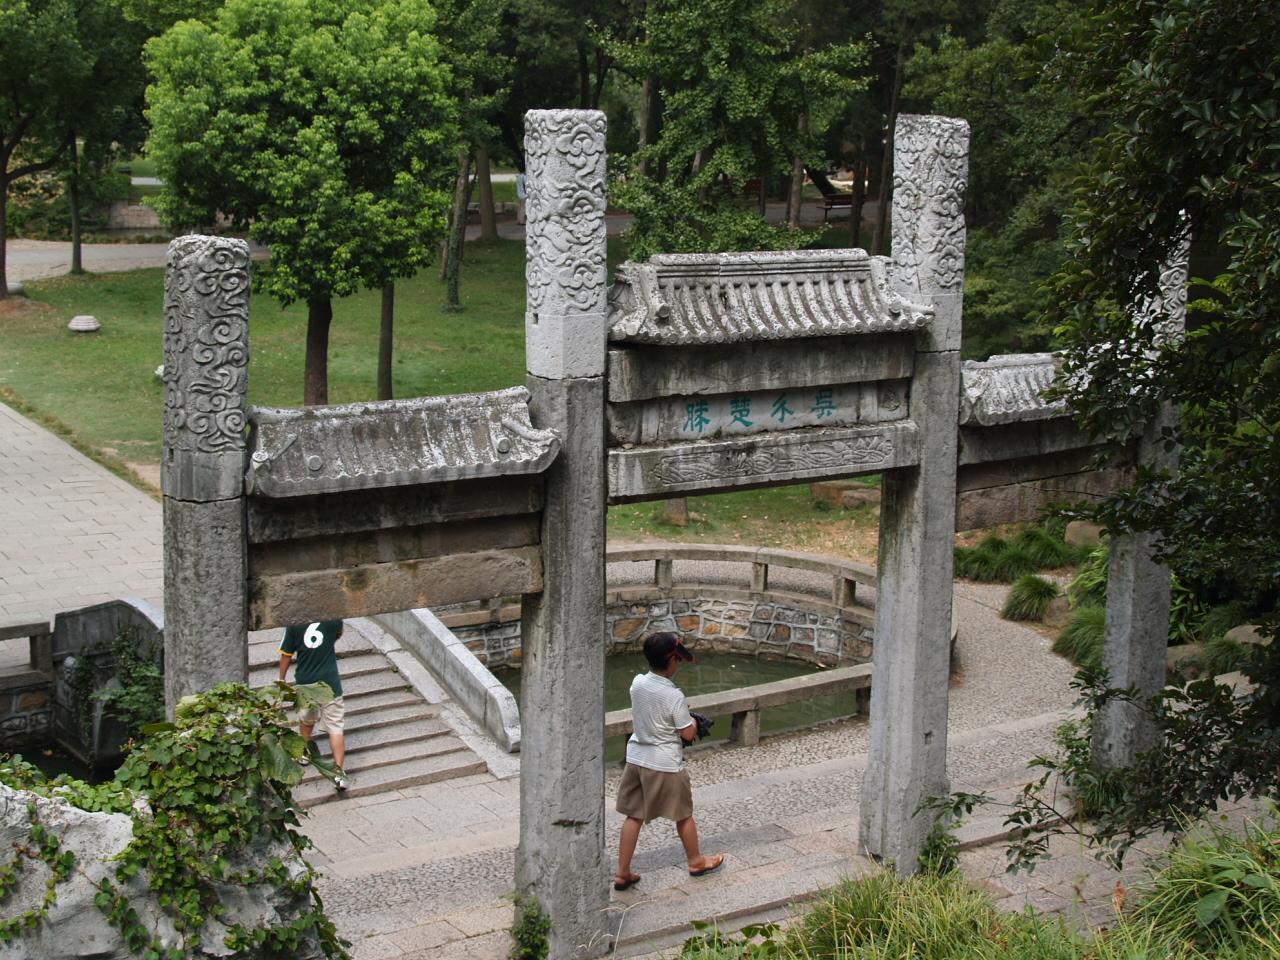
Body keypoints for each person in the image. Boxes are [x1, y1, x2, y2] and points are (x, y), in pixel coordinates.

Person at [613, 632, 725, 891]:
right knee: (683, 815)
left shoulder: (637, 683)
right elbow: (687, 733)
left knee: (633, 816)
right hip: (664, 762)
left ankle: (622, 872)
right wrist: (694, 721)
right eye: (678, 659)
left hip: (637, 758)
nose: (679, 663)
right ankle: (696, 861)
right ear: (672, 660)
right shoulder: (673, 695)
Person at [278, 619, 350, 791]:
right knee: (336, 727)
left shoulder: (294, 624)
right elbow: (338, 634)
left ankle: (303, 752)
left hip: (306, 684)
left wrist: (281, 678)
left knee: (306, 719)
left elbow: (286, 653)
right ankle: (339, 773)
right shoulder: (332, 619)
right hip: (330, 683)